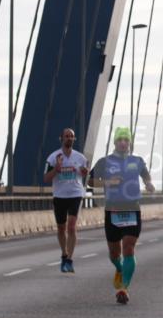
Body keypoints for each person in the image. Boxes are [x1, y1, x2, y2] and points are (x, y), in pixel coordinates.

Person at [88, 127, 156, 304]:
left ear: (130, 143)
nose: (123, 143)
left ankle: (124, 288)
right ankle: (119, 268)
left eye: (126, 140)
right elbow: (89, 181)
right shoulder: (105, 162)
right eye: (120, 140)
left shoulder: (137, 160)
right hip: (112, 210)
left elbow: (146, 176)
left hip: (132, 209)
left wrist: (149, 184)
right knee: (114, 253)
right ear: (115, 142)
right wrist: (108, 182)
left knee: (129, 248)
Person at [42, 128, 89, 272]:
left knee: (72, 227)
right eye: (66, 136)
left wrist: (84, 172)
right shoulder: (53, 157)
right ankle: (64, 254)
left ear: (74, 139)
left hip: (75, 194)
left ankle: (69, 260)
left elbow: (84, 174)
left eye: (71, 136)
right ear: (61, 138)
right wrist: (56, 169)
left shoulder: (81, 158)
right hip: (59, 195)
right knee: (61, 228)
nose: (69, 138)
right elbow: (46, 178)